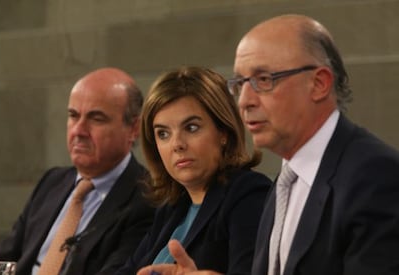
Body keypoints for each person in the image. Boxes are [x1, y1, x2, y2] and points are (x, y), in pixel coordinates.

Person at [140, 14, 399, 275]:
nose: (244, 102)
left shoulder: (376, 174)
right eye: (240, 84)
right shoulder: (286, 182)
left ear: (319, 84)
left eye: (263, 80)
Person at [0, 68, 155, 275]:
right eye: (73, 116)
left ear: (134, 128)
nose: (78, 130)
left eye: (96, 118)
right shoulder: (52, 182)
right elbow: (9, 261)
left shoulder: (148, 199)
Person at [115, 66, 272, 275]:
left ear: (223, 131)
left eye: (191, 128)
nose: (176, 144)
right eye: (163, 134)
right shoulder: (172, 207)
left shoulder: (249, 193)